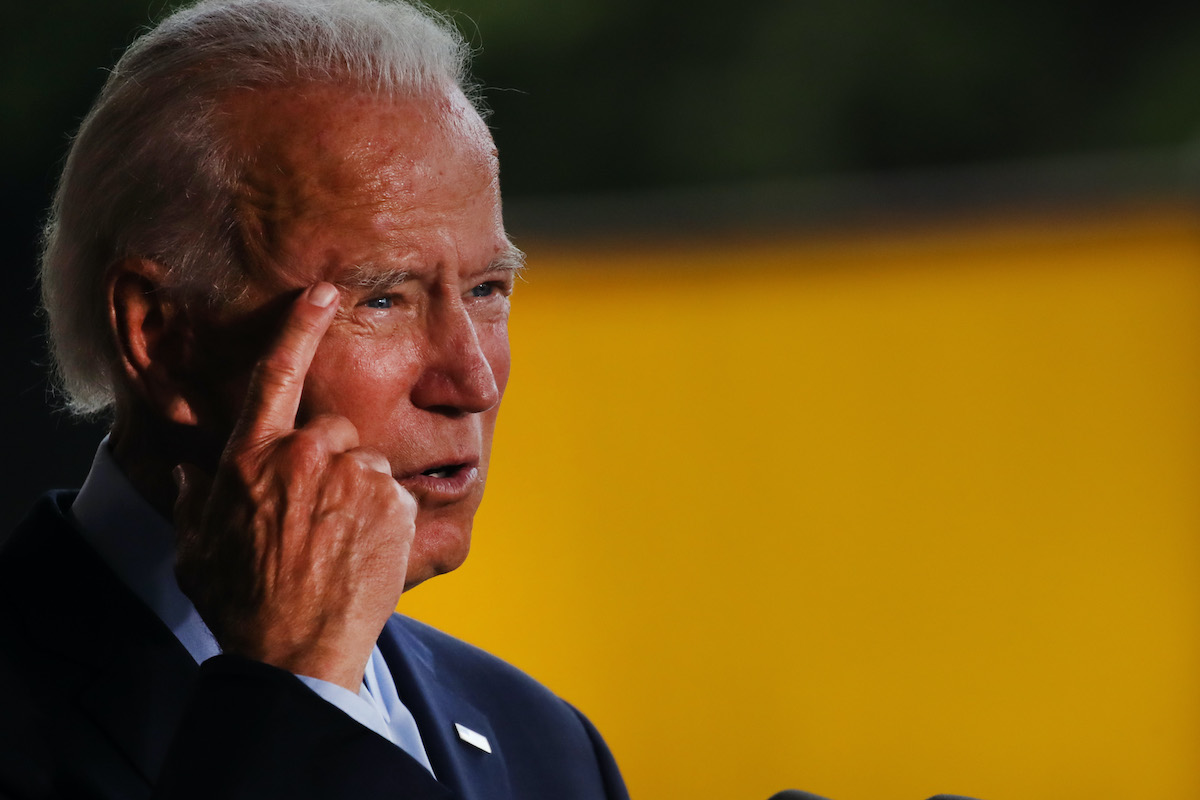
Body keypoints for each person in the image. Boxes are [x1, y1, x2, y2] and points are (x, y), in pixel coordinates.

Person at [0, 1, 629, 798]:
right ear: (162, 337)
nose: (471, 381)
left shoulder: (547, 745)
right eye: (382, 299)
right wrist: (294, 694)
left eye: (486, 288)